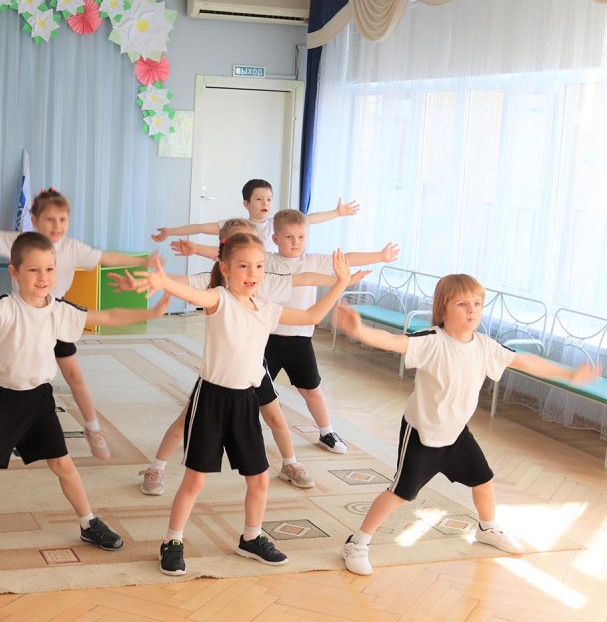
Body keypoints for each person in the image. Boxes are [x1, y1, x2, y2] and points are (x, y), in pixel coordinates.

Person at [0, 231, 171, 569]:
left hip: (40, 401)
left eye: (49, 269)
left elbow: (104, 317)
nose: (43, 277)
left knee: (63, 465)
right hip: (3, 401)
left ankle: (88, 522)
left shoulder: (59, 311)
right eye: (34, 270)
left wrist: (150, 314)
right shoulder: (6, 307)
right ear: (15, 272)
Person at [331, 274, 599, 576]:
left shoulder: (485, 346)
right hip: (423, 434)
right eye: (462, 304)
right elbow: (395, 342)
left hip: (456, 434)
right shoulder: (431, 340)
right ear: (443, 310)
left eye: (477, 304)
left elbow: (525, 362)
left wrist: (569, 374)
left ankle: (488, 528)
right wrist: (360, 331)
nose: (472, 310)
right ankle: (357, 542)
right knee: (401, 492)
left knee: (483, 480)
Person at [136, 234, 351, 576]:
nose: (252, 273)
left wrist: (340, 283)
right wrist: (164, 282)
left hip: (246, 401)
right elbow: (193, 294)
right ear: (225, 269)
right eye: (244, 266)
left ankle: (251, 538)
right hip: (211, 400)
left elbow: (312, 313)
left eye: (259, 266)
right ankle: (172, 541)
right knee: (195, 480)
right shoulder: (218, 299)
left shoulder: (267, 309)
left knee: (260, 479)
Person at [111, 218, 369, 495]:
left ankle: (290, 463)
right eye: (242, 257)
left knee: (276, 418)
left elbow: (306, 283)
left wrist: (342, 281)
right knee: (185, 421)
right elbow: (180, 285)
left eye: (256, 258)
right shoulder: (214, 286)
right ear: (225, 257)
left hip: (254, 369)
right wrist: (152, 280)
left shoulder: (266, 280)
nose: (251, 267)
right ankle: (156, 467)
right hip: (220, 376)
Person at [0, 188, 150, 460]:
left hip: (56, 318)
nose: (57, 226)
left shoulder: (72, 248)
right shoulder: (22, 242)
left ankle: (93, 428)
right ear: (34, 220)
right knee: (4, 383)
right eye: (50, 219)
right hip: (22, 321)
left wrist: (143, 261)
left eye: (62, 219)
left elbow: (106, 258)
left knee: (75, 376)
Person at [264, 208, 400, 455]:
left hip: (300, 341)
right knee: (253, 390)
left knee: (311, 389)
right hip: (267, 339)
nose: (295, 242)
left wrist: (380, 256)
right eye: (289, 237)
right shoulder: (267, 261)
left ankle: (326, 432)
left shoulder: (313, 261)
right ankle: (233, 428)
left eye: (301, 237)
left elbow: (346, 258)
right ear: (275, 238)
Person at [150, 178, 359, 247]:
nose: (265, 203)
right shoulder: (237, 225)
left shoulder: (277, 222)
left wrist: (336, 213)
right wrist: (170, 231)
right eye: (259, 199)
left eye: (268, 199)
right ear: (246, 203)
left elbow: (308, 219)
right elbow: (202, 227)